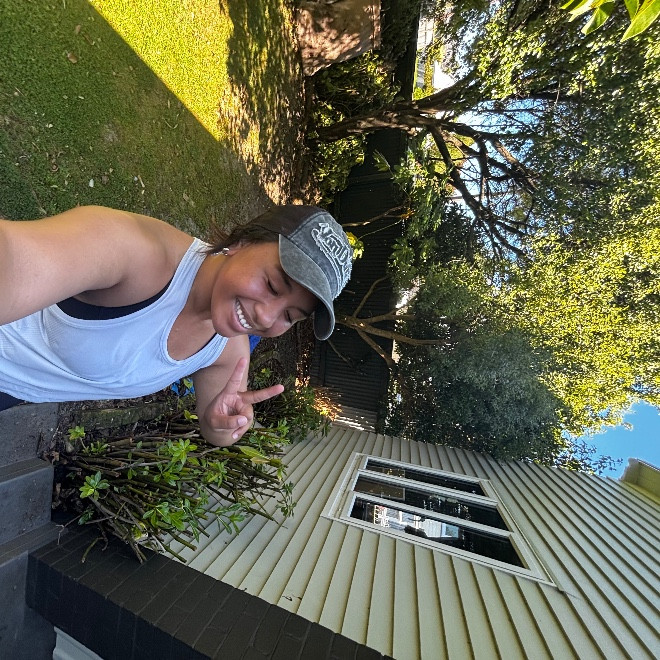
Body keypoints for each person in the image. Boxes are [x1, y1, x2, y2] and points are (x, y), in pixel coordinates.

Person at [0, 204, 353, 446]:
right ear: (242, 242)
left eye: (290, 316)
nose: (266, 317)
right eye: (273, 285)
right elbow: (13, 260)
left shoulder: (227, 352)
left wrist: (223, 426)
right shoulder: (135, 252)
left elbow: (217, 430)